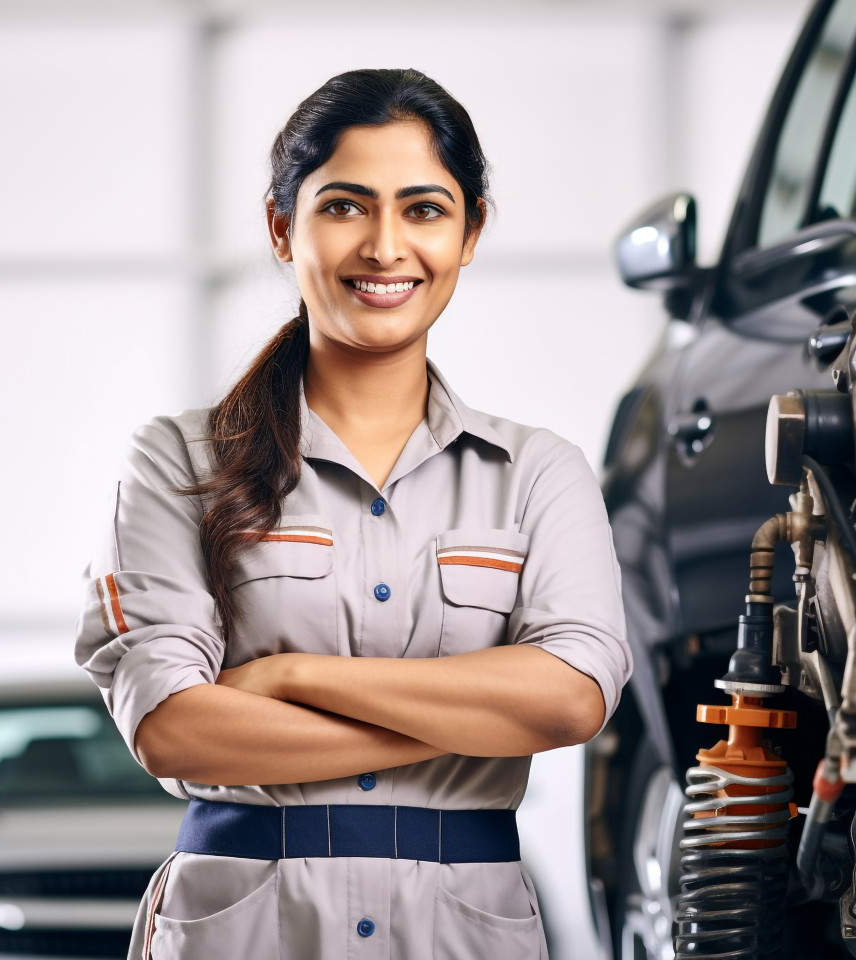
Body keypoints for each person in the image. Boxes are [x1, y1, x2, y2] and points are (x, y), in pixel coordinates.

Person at [75, 67, 631, 960]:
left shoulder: (539, 475)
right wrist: (472, 716)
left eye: (423, 209)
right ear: (281, 226)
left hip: (462, 934)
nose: (383, 246)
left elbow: (568, 701)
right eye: (343, 206)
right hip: (240, 928)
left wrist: (293, 678)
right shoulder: (180, 463)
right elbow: (174, 726)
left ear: (470, 231)